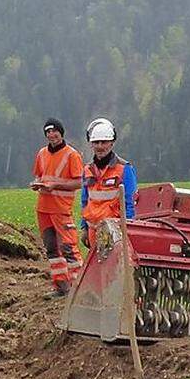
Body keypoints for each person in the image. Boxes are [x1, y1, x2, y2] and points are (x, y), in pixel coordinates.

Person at [30, 118, 84, 298]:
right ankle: (61, 287)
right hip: (43, 208)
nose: (51, 135)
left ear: (61, 133)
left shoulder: (72, 155)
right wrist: (38, 184)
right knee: (52, 248)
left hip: (62, 208)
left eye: (54, 131)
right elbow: (39, 175)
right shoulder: (41, 153)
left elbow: (78, 182)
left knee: (69, 248)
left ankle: (80, 288)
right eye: (48, 132)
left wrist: (55, 186)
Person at [80, 118, 136, 249]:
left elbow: (131, 201)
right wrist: (84, 227)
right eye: (96, 142)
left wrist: (128, 228)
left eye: (104, 142)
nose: (100, 146)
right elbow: (85, 201)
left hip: (115, 231)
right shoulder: (87, 170)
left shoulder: (124, 169)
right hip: (93, 230)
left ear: (112, 143)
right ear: (91, 144)